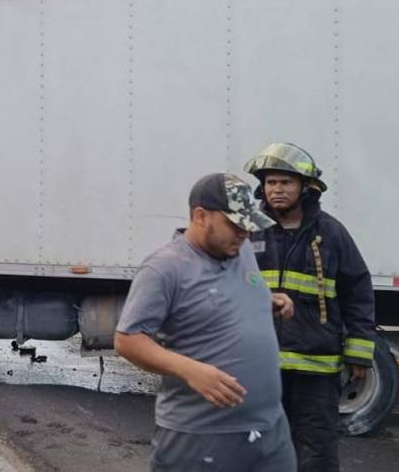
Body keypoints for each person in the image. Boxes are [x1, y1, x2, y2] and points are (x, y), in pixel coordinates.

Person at [115, 172, 297, 472]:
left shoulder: (240, 251)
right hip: (201, 438)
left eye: (247, 226)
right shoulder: (165, 268)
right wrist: (190, 370)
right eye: (235, 225)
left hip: (269, 432)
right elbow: (128, 339)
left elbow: (230, 294)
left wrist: (268, 300)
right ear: (200, 216)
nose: (244, 234)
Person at [243, 143, 375, 472]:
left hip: (316, 367)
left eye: (286, 182)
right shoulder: (249, 230)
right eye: (271, 182)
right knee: (260, 447)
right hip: (262, 365)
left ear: (305, 187)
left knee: (316, 449)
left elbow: (357, 290)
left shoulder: (330, 233)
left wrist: (359, 351)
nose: (277, 190)